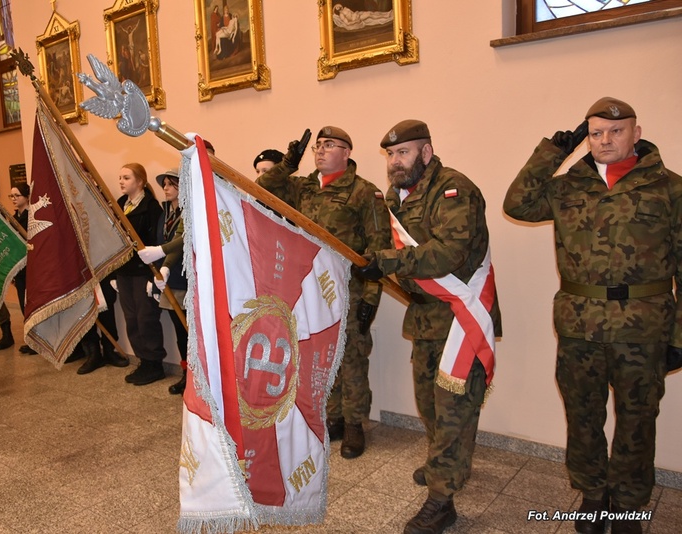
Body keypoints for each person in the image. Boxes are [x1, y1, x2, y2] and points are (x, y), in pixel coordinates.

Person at [503, 97, 682, 534]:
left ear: (636, 134)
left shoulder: (670, 188)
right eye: (596, 132)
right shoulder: (567, 187)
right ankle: (593, 494)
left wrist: (679, 335)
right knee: (583, 415)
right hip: (580, 323)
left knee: (638, 419)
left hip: (644, 325)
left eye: (615, 131)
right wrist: (552, 153)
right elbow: (517, 204)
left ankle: (627, 505)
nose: (605, 140)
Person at [358, 120, 502, 534]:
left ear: (426, 151)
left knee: (454, 409)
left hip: (461, 317)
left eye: (403, 153)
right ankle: (447, 465)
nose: (394, 162)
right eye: (390, 155)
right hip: (425, 317)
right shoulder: (396, 196)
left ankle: (442, 499)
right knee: (429, 403)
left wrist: (385, 262)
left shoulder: (455, 190)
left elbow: (448, 254)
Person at [257, 126, 391, 459]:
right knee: (320, 354)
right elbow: (262, 190)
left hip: (349, 291)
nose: (320, 151)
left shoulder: (364, 193)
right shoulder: (303, 188)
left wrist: (372, 297)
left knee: (352, 358)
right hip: (310, 290)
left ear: (347, 153)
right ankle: (334, 417)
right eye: (317, 146)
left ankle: (355, 424)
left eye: (329, 145)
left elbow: (379, 248)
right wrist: (288, 162)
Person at [115, 163, 167, 386]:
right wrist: (115, 273)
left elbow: (156, 242)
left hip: (143, 272)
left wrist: (152, 276)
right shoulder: (119, 204)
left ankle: (154, 363)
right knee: (132, 319)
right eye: (120, 178)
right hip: (125, 272)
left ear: (140, 182)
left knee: (146, 319)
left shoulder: (151, 208)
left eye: (126, 178)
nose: (121, 182)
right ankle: (143, 360)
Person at [138, 170, 188, 394]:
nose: (165, 188)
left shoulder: (190, 212)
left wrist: (165, 265)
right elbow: (158, 245)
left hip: (187, 279)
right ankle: (186, 374)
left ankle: (198, 379)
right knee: (180, 332)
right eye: (164, 184)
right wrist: (157, 274)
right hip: (169, 281)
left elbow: (180, 242)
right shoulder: (165, 213)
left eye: (171, 184)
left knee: (191, 333)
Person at [0, 182, 32, 352]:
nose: (14, 199)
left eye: (17, 196)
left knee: (32, 305)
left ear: (27, 197)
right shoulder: (14, 218)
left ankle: (38, 341)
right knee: (23, 306)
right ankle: (31, 339)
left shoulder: (31, 217)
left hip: (32, 268)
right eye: (12, 196)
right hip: (20, 269)